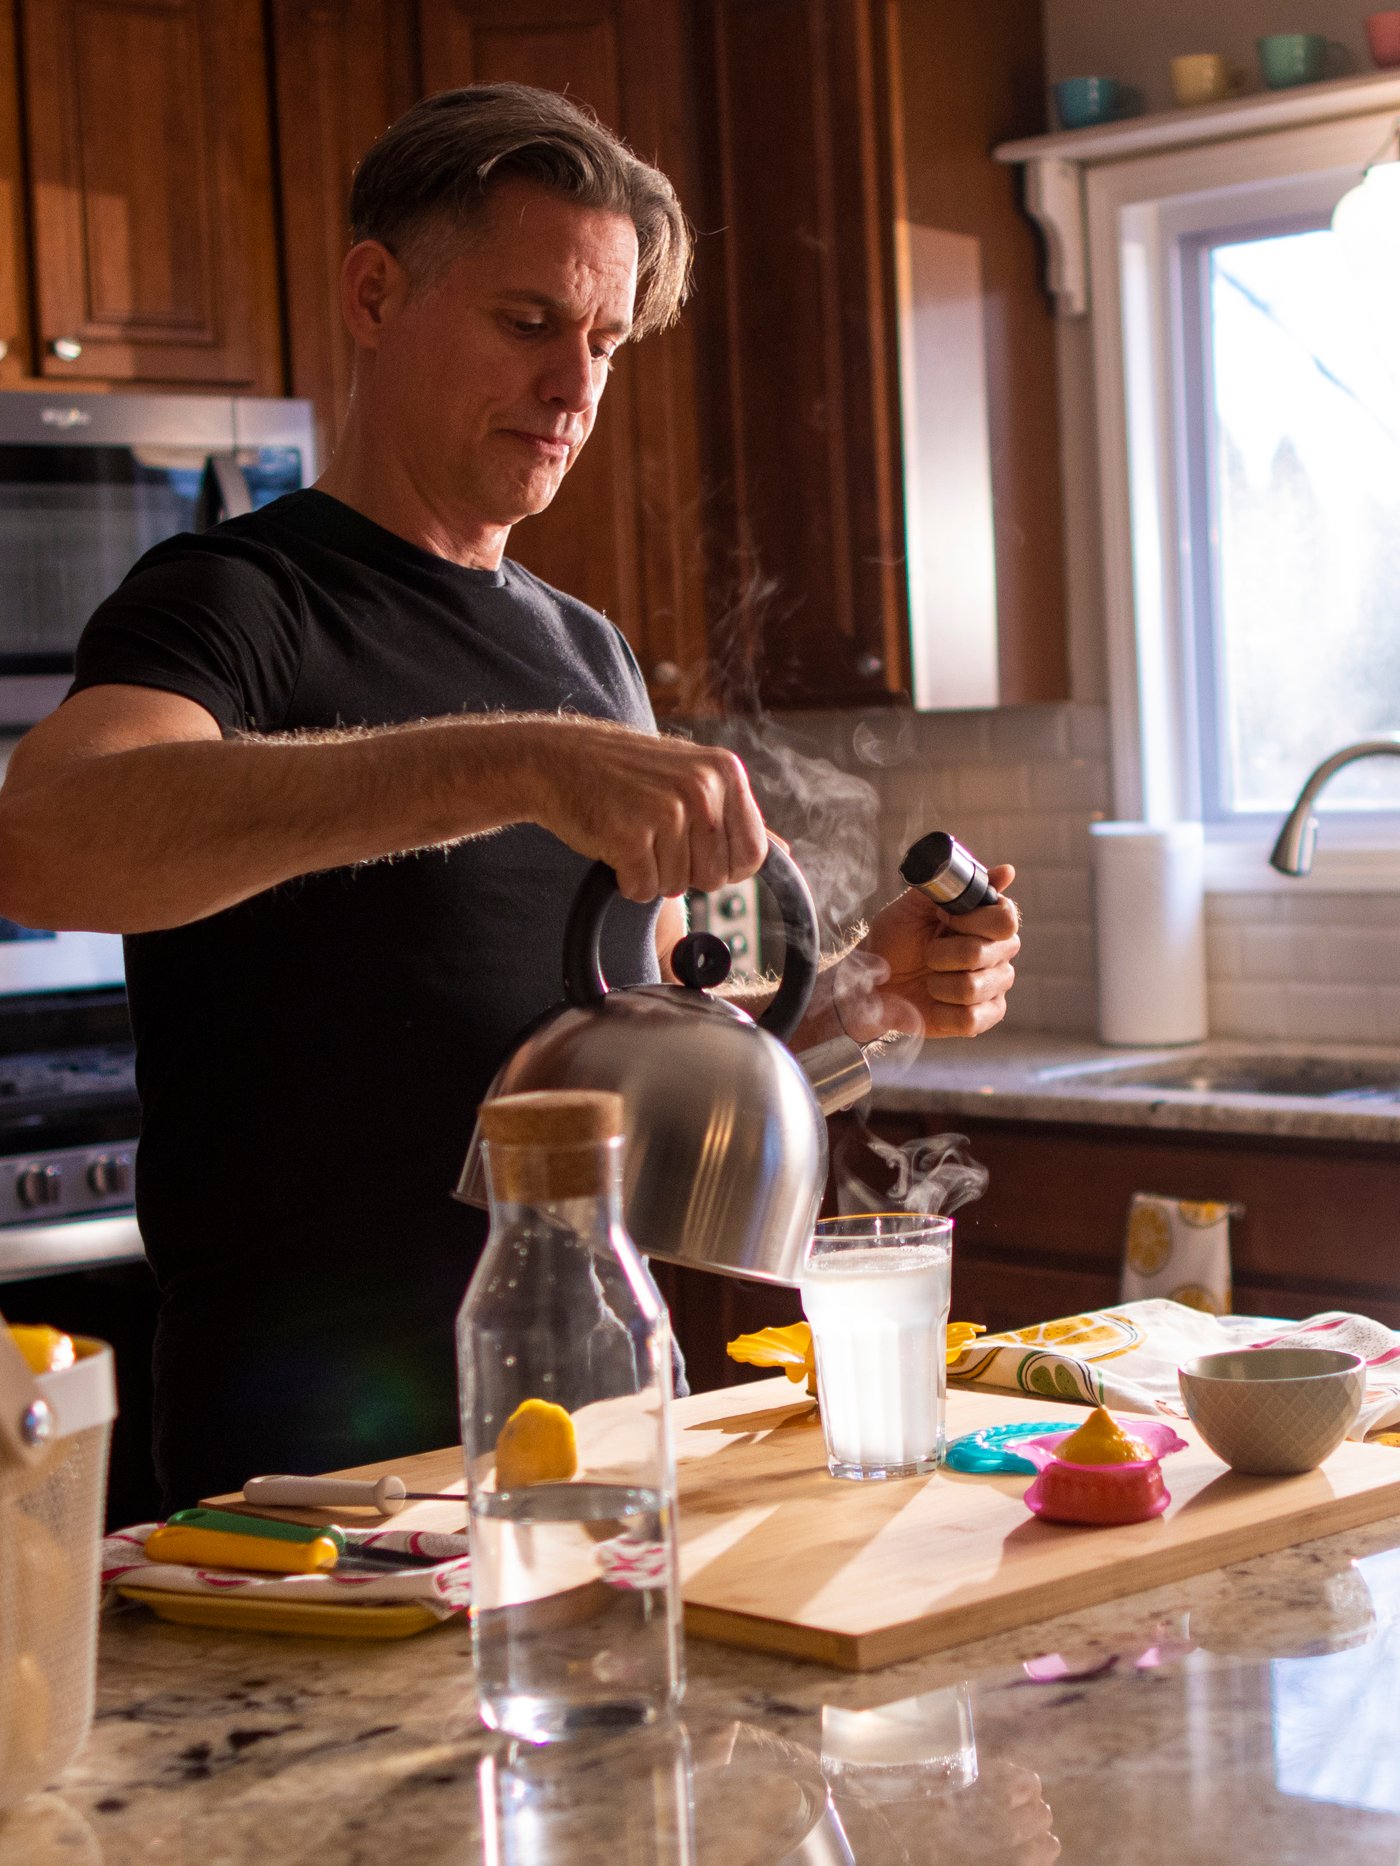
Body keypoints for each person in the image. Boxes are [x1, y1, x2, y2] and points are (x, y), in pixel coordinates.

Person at [0, 84, 1019, 1509]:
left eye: (603, 341)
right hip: (317, 1477)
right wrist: (517, 763)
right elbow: (45, 841)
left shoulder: (586, 651)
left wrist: (863, 995)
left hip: (600, 1432)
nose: (575, 386)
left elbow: (645, 1044)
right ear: (375, 294)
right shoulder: (237, 598)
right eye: (530, 322)